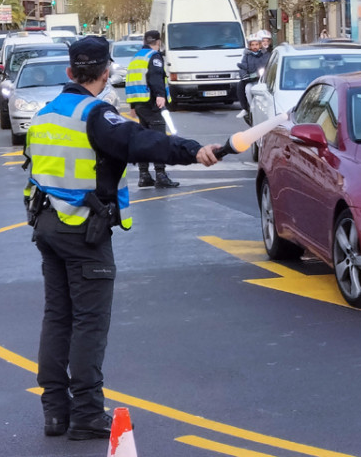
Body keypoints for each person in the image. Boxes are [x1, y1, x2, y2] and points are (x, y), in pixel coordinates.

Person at [24, 36, 220, 441]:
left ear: (69, 72)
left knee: (58, 318)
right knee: (89, 324)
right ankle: (87, 414)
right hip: (83, 232)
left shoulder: (45, 115)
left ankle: (55, 412)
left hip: (47, 227)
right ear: (106, 72)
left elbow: (35, 174)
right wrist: (193, 150)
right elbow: (140, 141)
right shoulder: (94, 115)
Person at [125, 30, 179, 188]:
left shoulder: (136, 57)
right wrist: (160, 95)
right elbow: (155, 77)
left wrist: (133, 106)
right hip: (151, 102)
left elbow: (132, 81)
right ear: (158, 41)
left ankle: (144, 175)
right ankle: (160, 175)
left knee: (144, 139)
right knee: (158, 140)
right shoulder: (153, 56)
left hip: (140, 103)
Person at [235, 34, 269, 124]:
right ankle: (247, 108)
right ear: (250, 46)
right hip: (251, 79)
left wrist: (259, 74)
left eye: (256, 45)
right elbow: (243, 67)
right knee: (244, 87)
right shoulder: (247, 56)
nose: (254, 47)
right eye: (252, 45)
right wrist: (244, 75)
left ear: (260, 45)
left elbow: (266, 66)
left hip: (261, 79)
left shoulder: (265, 54)